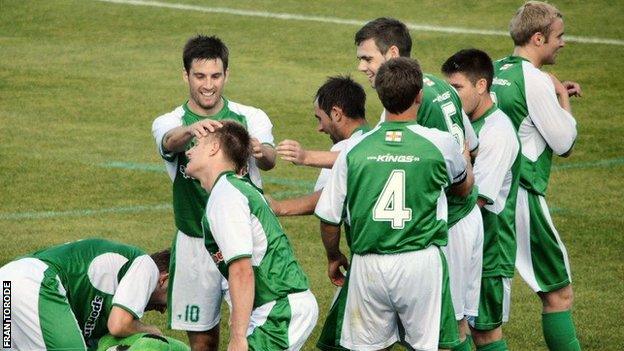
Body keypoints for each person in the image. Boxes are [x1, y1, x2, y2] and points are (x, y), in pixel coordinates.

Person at [315, 57, 469, 350]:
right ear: (419, 95)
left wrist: (333, 256)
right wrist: (464, 153)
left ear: (380, 96)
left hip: (368, 265)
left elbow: (329, 218)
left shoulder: (353, 149)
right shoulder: (440, 144)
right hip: (421, 262)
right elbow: (463, 186)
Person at [353, 17, 483, 350]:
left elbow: (371, 155)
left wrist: (309, 157)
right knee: (454, 326)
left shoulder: (408, 102)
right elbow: (470, 147)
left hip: (448, 223)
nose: (361, 66)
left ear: (392, 53)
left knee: (445, 332)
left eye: (367, 57)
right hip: (463, 218)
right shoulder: (439, 88)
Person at [151, 35, 276, 350]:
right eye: (200, 76)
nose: (208, 85)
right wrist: (191, 131)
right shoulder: (171, 121)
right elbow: (169, 141)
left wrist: (257, 149)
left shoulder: (251, 117)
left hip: (246, 243)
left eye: (216, 76)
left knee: (252, 336)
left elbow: (271, 159)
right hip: (195, 243)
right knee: (203, 342)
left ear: (227, 75)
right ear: (186, 76)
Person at [491, 2, 580, 350]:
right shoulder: (537, 81)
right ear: (538, 37)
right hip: (522, 194)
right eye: (559, 36)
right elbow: (565, 143)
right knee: (558, 292)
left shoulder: (493, 70)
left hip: (487, 195)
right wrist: (560, 96)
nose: (563, 43)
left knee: (481, 310)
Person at [184, 121, 318, 351]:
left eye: (196, 144)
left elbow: (242, 270)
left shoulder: (227, 195)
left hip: (278, 308)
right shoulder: (232, 189)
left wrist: (237, 337)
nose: (188, 151)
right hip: (276, 304)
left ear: (214, 148)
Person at [442, 49, 521, 351]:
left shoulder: (497, 132)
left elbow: (474, 198)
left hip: (489, 252)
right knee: (454, 325)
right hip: (466, 245)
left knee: (484, 334)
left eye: (458, 88)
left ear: (481, 85)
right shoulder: (462, 123)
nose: (452, 95)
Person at [0, 238, 170, 350]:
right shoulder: (146, 266)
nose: (163, 310)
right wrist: (152, 331)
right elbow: (119, 325)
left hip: (8, 286)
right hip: (33, 285)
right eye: (170, 301)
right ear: (164, 279)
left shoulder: (111, 298)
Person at [271, 75, 369, 216]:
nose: (319, 128)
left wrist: (280, 207)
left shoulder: (343, 148)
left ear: (336, 114)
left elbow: (325, 200)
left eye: (320, 119)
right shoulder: (379, 139)